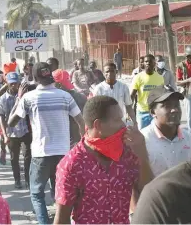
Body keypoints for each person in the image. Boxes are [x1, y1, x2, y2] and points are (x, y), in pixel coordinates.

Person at [53, 96, 153, 224]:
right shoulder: (71, 164)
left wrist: (142, 153)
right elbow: (61, 219)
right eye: (117, 120)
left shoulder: (128, 153)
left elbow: (149, 192)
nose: (123, 125)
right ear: (98, 125)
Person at [8, 62, 85, 224]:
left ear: (35, 79)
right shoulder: (65, 96)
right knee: (61, 194)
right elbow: (80, 121)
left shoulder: (29, 98)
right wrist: (80, 143)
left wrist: (19, 99)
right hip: (64, 154)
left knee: (36, 194)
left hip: (41, 154)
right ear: (50, 76)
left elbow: (11, 122)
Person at [141, 85, 189, 177]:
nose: (174, 110)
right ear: (153, 112)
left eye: (176, 105)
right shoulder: (143, 140)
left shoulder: (188, 138)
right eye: (167, 106)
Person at [0, 72, 31, 189]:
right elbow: (1, 118)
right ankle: (17, 180)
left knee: (28, 156)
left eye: (16, 83)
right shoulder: (3, 99)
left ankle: (28, 179)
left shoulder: (26, 96)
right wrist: (5, 134)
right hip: (11, 133)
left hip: (25, 131)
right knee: (14, 158)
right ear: (7, 84)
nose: (14, 86)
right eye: (11, 84)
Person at [53, 69, 87, 146]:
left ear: (58, 84)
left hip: (62, 143)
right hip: (78, 140)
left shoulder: (54, 99)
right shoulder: (81, 97)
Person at [131, 54, 164, 129]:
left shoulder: (160, 78)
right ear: (143, 63)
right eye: (146, 61)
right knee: (143, 136)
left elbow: (162, 95)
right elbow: (132, 95)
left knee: (156, 136)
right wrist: (129, 111)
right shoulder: (138, 77)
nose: (148, 63)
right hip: (142, 112)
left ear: (154, 63)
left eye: (150, 61)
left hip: (156, 113)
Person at [177, 46, 191, 130]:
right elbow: (178, 82)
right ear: (186, 56)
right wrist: (188, 80)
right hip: (188, 93)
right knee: (189, 115)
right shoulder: (181, 66)